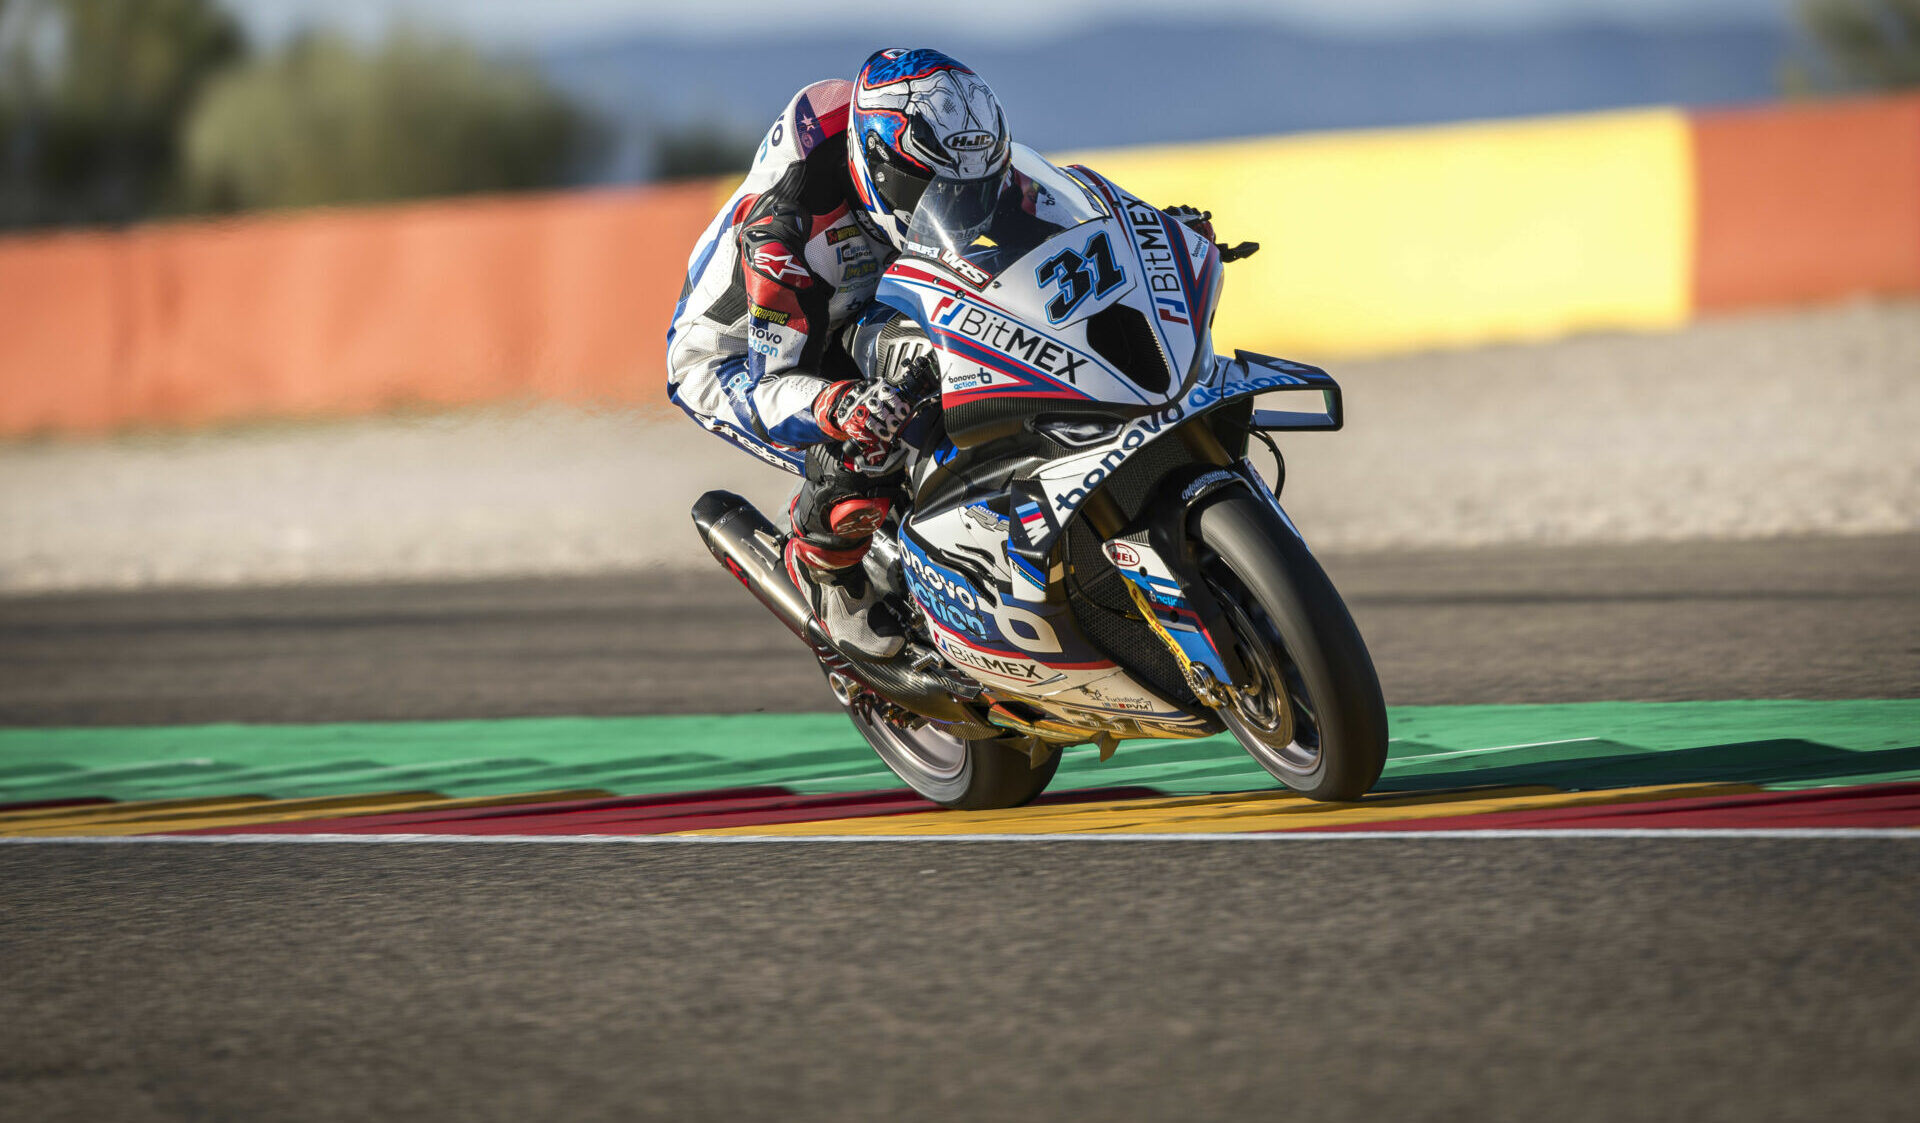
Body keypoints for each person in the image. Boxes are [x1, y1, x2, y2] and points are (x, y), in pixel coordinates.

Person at [667, 48, 1220, 661]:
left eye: (976, 183)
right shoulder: (782, 238)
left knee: (983, 357)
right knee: (872, 440)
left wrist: (1150, 233)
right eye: (938, 187)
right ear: (879, 166)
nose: (963, 200)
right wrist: (839, 402)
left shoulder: (955, 151)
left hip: (874, 295)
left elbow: (1049, 212)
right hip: (751, 357)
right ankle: (829, 575)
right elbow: (772, 380)